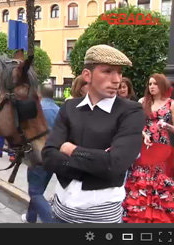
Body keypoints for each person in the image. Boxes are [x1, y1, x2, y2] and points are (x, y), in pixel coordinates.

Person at [41, 44, 145, 223]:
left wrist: (71, 149)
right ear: (87, 75)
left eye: (119, 73)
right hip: (59, 214)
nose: (116, 80)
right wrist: (96, 163)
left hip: (101, 220)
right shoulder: (70, 107)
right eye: (107, 71)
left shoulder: (131, 111)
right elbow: (49, 155)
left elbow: (115, 164)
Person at [122, 73, 174, 223]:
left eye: (155, 84)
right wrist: (143, 134)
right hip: (145, 146)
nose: (151, 87)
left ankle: (158, 217)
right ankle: (138, 216)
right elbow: (135, 125)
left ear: (162, 85)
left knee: (159, 182)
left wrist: (167, 125)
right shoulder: (142, 102)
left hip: (162, 147)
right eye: (150, 84)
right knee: (140, 180)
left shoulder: (171, 104)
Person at [22, 83, 58, 223]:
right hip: (53, 156)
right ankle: (30, 218)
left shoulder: (36, 111)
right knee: (39, 190)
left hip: (37, 156)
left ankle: (50, 221)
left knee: (35, 191)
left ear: (39, 95)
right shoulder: (59, 110)